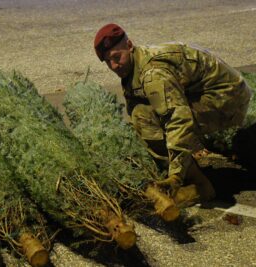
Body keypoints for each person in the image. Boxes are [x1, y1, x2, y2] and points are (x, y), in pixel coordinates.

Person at [94, 23, 253, 203]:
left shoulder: (153, 73)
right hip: (212, 92)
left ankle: (199, 185)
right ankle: (187, 167)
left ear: (129, 45)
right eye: (108, 62)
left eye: (116, 57)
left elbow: (178, 119)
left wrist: (175, 176)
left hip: (229, 99)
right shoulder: (134, 65)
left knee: (145, 118)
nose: (114, 65)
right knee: (145, 115)